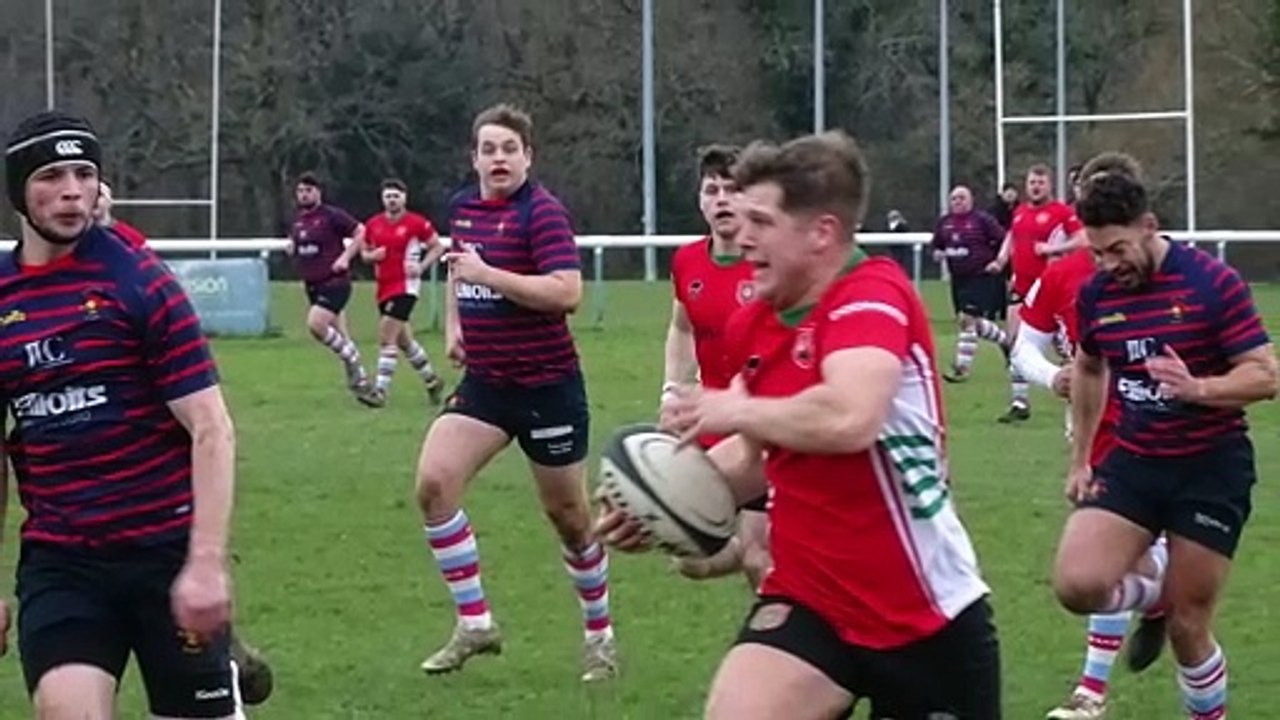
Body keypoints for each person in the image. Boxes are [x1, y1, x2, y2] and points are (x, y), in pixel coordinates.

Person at [600, 130, 1000, 719]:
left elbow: (850, 417)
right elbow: (756, 459)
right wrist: (662, 500)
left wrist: (733, 409)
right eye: (739, 217)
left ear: (821, 233)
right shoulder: (752, 325)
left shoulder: (875, 294)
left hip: (924, 614)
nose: (740, 232)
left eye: (762, 220)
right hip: (810, 597)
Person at [0, 110, 242, 718]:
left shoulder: (139, 282)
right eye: (51, 176)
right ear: (17, 191)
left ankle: (224, 669)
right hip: (64, 562)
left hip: (165, 552)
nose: (71, 191)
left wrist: (207, 564)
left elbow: (211, 427)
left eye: (84, 174)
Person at [1052, 152, 1278, 720]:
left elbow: (1266, 374)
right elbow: (1088, 366)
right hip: (1136, 460)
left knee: (1189, 624)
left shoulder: (1211, 283)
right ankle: (1152, 597)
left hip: (1211, 468)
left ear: (1148, 227)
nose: (1106, 264)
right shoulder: (1098, 295)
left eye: (1117, 249)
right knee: (1076, 585)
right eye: (1095, 251)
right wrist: (1081, 459)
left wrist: (1197, 388)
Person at [412, 103, 617, 683]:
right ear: (474, 157)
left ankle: (599, 634)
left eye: (509, 149)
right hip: (488, 386)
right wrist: (455, 323)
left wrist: (490, 278)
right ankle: (475, 623)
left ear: (528, 156)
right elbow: (459, 266)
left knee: (571, 519)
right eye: (489, 149)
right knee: (434, 484)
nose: (498, 158)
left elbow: (567, 291)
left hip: (548, 389)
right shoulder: (464, 207)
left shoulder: (543, 215)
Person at [1005, 158, 1168, 719]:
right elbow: (1023, 344)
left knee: (1163, 578)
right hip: (1098, 432)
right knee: (1113, 560)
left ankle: (1157, 617)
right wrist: (1052, 375)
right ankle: (1093, 690)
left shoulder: (1167, 267)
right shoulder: (1067, 273)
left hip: (1169, 431)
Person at [659, 143, 770, 589]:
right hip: (708, 425)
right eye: (712, 190)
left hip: (761, 424)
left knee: (760, 558)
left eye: (732, 189)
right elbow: (682, 329)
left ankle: (783, 646)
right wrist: (671, 391)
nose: (722, 199)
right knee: (691, 560)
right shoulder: (687, 261)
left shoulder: (768, 263)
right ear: (700, 200)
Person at [987, 164, 1086, 423]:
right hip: (1021, 284)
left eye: (1040, 183)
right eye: (1032, 182)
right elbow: (1012, 236)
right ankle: (1020, 402)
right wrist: (1001, 259)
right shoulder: (1019, 212)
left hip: (1049, 287)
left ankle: (1078, 384)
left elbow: (1083, 239)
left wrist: (1055, 248)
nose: (1036, 187)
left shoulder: (1061, 212)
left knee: (1066, 344)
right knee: (1016, 342)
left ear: (1049, 185)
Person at [355, 178, 446, 408]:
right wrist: (371, 257)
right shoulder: (374, 224)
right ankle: (432, 381)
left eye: (396, 196)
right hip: (384, 286)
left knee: (386, 335)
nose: (392, 200)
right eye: (388, 196)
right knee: (404, 341)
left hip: (405, 287)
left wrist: (422, 266)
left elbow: (437, 246)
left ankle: (380, 392)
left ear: (404, 198)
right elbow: (364, 252)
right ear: (382, 199)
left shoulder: (416, 223)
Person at [285, 172, 370, 396]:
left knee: (316, 325)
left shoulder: (331, 215)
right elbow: (301, 242)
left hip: (334, 282)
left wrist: (345, 257)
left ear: (318, 192)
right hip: (312, 285)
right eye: (300, 191)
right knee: (341, 336)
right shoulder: (298, 220)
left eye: (308, 191)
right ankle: (361, 383)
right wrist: (292, 247)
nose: (304, 195)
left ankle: (352, 359)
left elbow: (361, 231)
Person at [930, 184, 1008, 383]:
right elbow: (937, 246)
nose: (958, 202)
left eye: (962, 198)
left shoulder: (981, 220)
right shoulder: (945, 223)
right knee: (971, 323)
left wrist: (998, 261)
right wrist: (937, 254)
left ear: (970, 200)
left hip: (980, 277)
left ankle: (962, 368)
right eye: (954, 198)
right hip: (958, 279)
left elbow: (1005, 239)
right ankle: (1006, 342)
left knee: (968, 319)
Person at [93, 180, 148, 248]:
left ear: (110, 201)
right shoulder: (77, 237)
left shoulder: (131, 237)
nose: (93, 199)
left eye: (99, 195)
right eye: (89, 194)